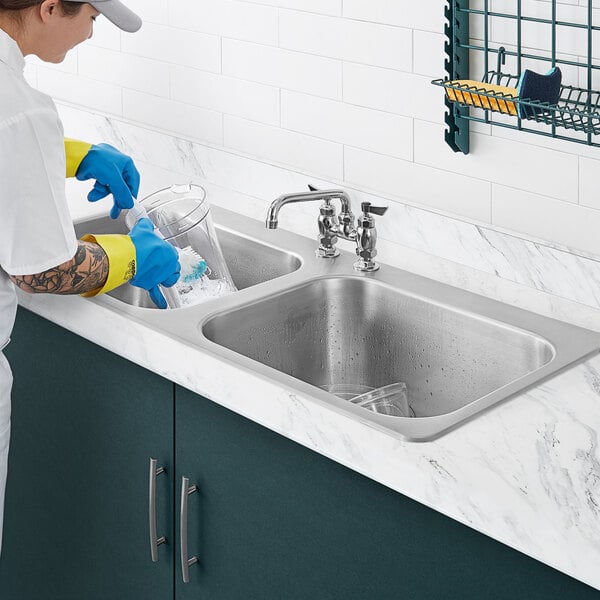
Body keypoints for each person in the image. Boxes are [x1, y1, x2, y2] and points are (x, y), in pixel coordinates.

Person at [0, 0, 180, 551]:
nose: (92, 33)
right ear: (51, 7)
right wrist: (131, 256)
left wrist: (67, 154)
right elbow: (46, 270)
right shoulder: (18, 108)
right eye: (93, 19)